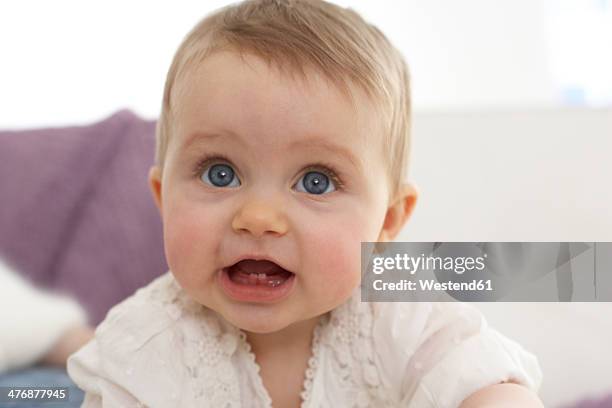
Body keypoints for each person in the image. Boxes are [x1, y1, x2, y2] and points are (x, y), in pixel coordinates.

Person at [67, 0, 543, 406]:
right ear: (163, 198)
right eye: (220, 173)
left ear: (387, 222)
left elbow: (491, 383)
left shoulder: (401, 314)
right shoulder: (140, 348)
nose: (258, 217)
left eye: (316, 182)